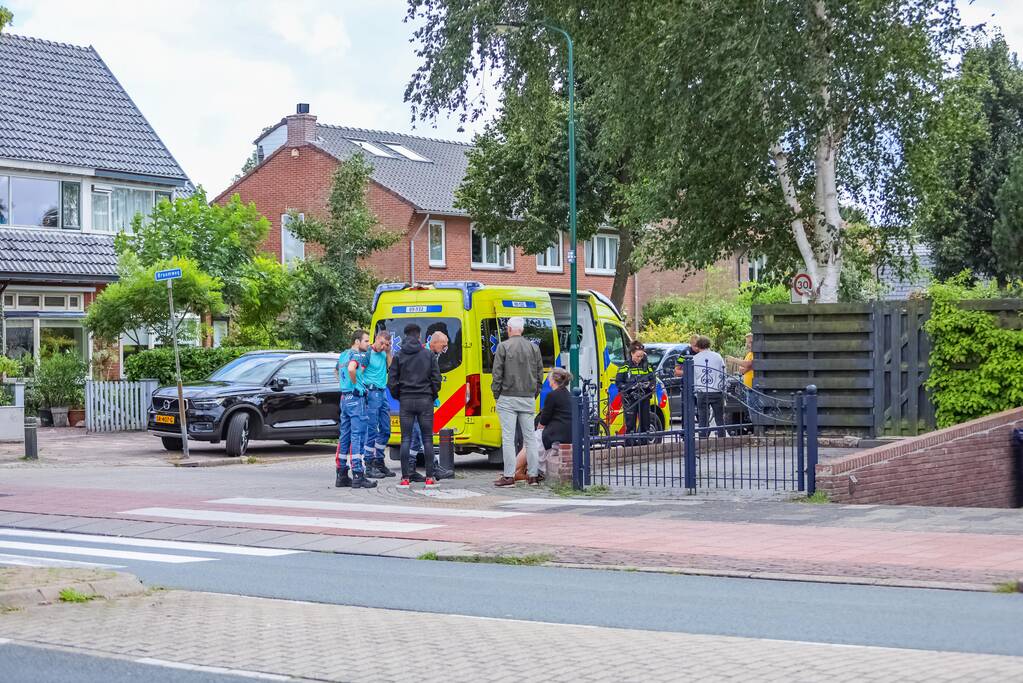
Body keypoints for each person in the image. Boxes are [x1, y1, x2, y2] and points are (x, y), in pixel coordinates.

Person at [492, 317, 544, 488]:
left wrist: (496, 394)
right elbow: (539, 374)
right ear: (521, 329)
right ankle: (533, 475)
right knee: (530, 438)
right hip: (527, 397)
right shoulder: (533, 348)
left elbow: (497, 373)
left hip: (507, 396)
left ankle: (509, 476)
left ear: (509, 329)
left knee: (508, 438)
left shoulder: (503, 347)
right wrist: (534, 393)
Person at [388, 323, 442, 489]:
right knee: (427, 439)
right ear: (419, 336)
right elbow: (436, 380)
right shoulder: (428, 355)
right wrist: (431, 395)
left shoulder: (398, 356)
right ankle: (430, 477)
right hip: (425, 400)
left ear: (405, 336)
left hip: (406, 401)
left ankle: (405, 478)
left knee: (405, 439)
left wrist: (400, 395)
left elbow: (392, 381)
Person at [407, 331, 454, 480]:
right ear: (434, 342)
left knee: (416, 436)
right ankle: (433, 468)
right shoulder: (424, 354)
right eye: (443, 345)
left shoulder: (432, 354)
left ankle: (410, 468)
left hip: (421, 398)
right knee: (424, 434)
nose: (444, 348)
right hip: (419, 399)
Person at [514, 367, 573, 483]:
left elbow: (544, 419)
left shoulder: (552, 395)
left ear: (553, 380)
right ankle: (523, 472)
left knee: (529, 442)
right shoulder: (568, 394)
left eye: (549, 377)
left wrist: (540, 425)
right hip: (566, 432)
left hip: (556, 435)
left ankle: (511, 472)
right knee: (533, 441)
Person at [335, 329, 376, 489]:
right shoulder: (357, 355)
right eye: (366, 341)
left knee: (344, 436)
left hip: (344, 398)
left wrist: (344, 386)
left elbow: (337, 371)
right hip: (356, 398)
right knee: (358, 436)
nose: (368, 344)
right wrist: (355, 384)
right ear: (357, 342)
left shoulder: (343, 354)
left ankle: (342, 474)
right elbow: (352, 369)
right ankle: (358, 474)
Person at [362, 329, 395, 479]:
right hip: (372, 392)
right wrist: (363, 391)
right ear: (376, 339)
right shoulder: (368, 353)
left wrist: (388, 352)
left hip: (382, 392)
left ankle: (379, 461)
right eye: (382, 343)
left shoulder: (384, 353)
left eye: (386, 344)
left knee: (386, 430)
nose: (383, 346)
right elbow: (358, 373)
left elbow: (392, 367)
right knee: (372, 429)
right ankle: (368, 464)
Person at [616, 341, 655, 441]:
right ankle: (630, 445)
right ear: (632, 353)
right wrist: (631, 386)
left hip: (644, 397)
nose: (640, 358)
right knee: (630, 425)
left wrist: (650, 386)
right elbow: (619, 383)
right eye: (638, 356)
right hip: (630, 398)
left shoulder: (646, 366)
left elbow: (653, 379)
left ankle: (644, 444)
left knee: (645, 423)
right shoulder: (625, 366)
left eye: (642, 356)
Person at [692, 335, 727, 438]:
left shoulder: (695, 358)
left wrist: (695, 390)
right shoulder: (717, 356)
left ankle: (703, 438)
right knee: (719, 418)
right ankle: (722, 439)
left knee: (703, 418)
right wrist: (722, 387)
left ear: (698, 346)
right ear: (709, 344)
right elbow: (723, 373)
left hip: (702, 391)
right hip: (716, 390)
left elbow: (693, 376)